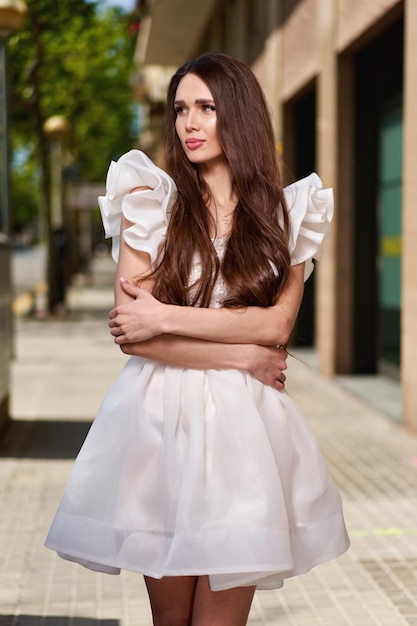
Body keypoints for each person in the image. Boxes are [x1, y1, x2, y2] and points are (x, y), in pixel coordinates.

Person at [45, 52, 349, 626]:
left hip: (245, 435)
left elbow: (276, 327)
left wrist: (166, 317)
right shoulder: (149, 202)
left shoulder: (285, 215)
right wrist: (239, 352)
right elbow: (134, 333)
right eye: (181, 108)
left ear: (239, 113)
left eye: (206, 107)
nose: (189, 122)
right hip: (158, 428)